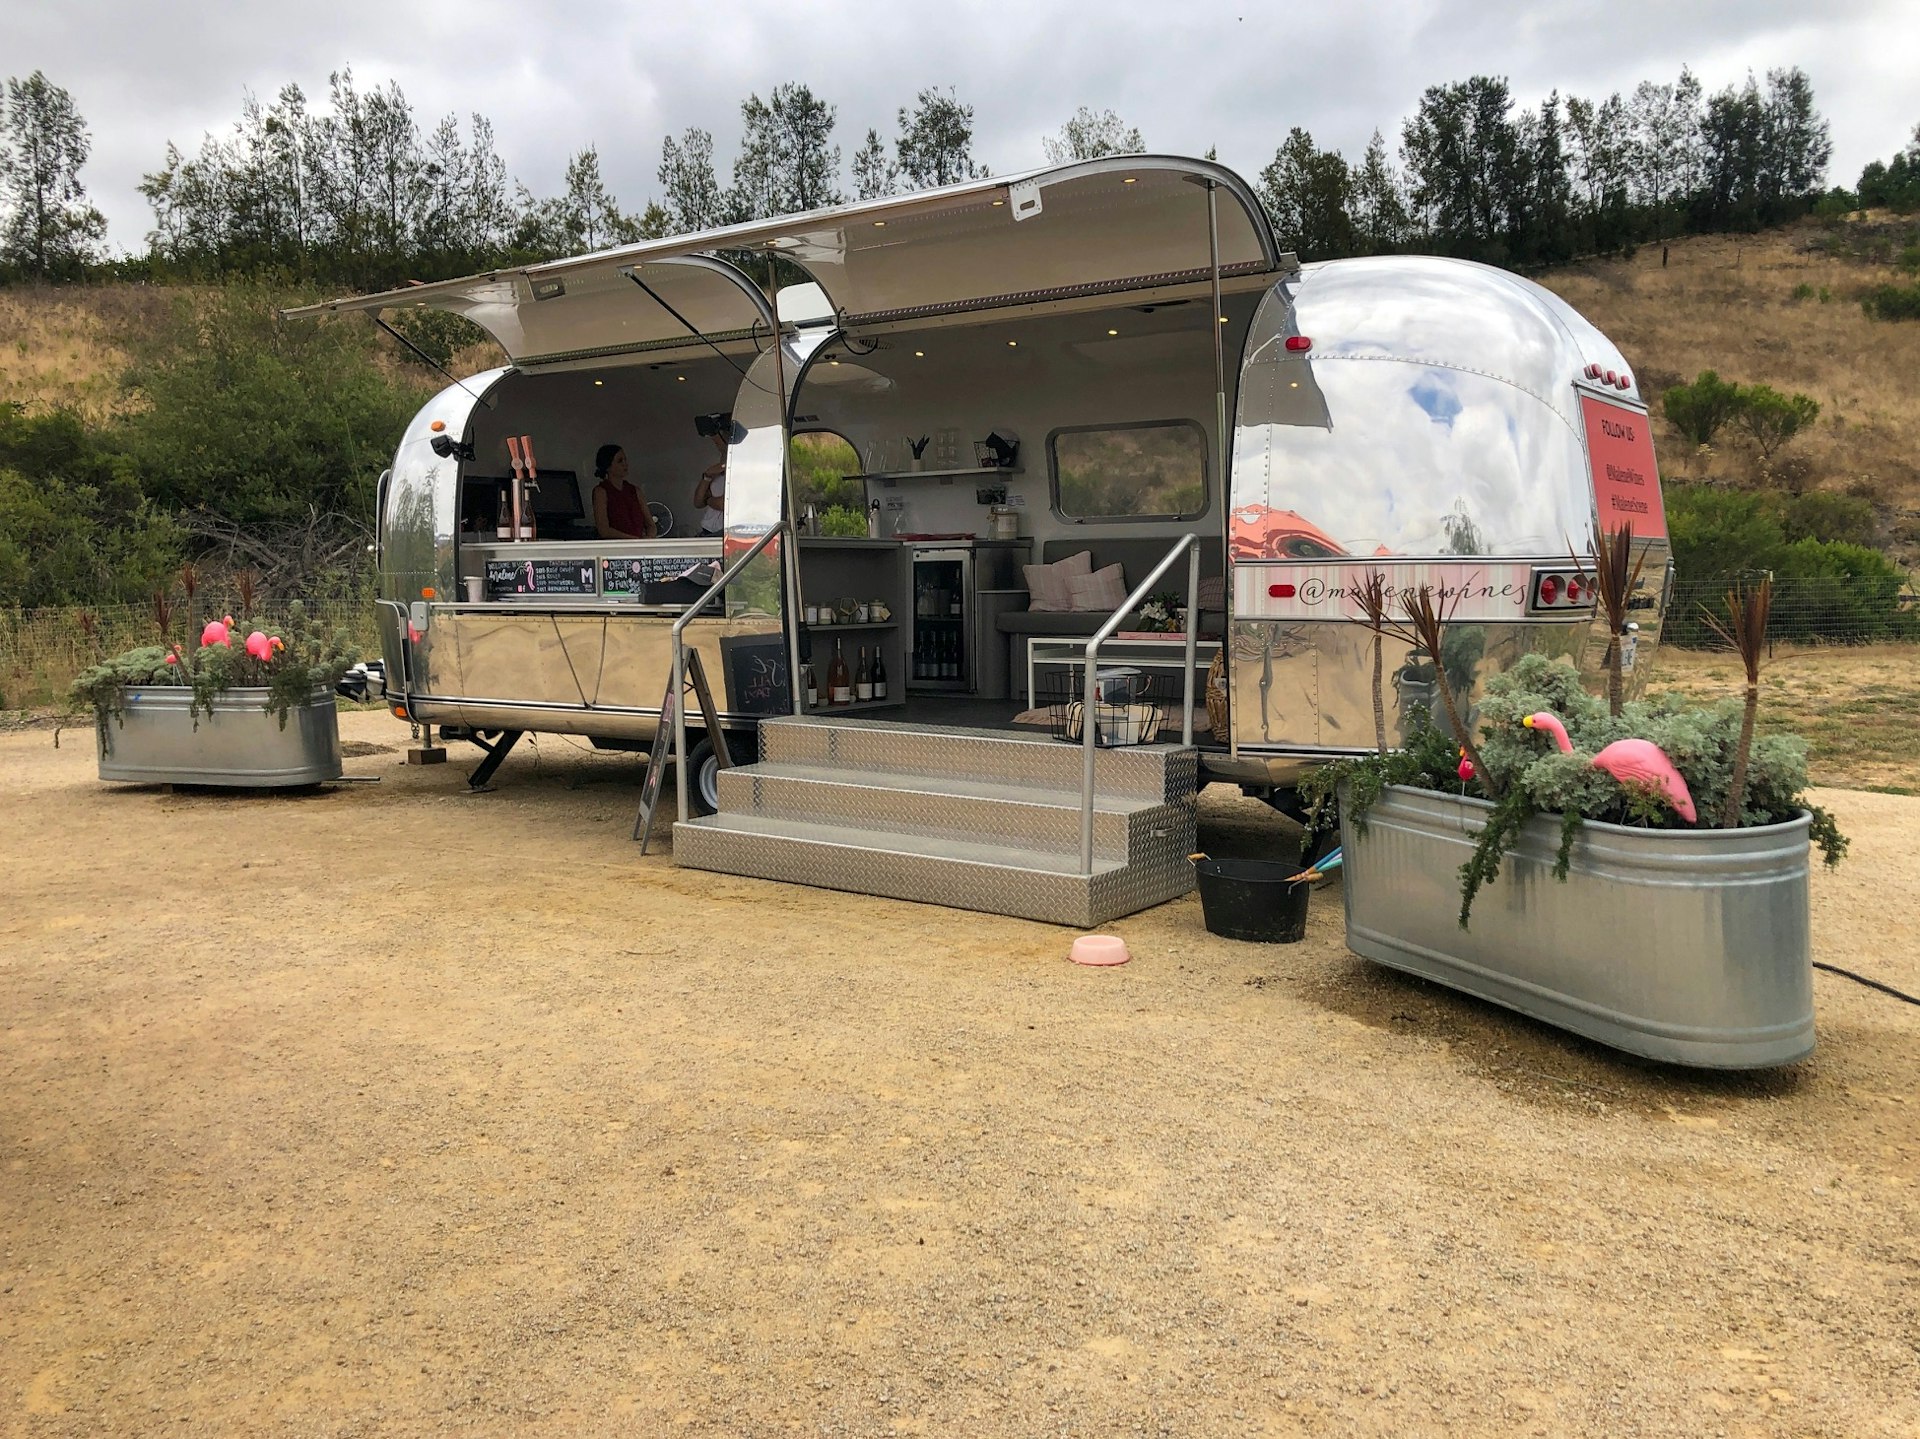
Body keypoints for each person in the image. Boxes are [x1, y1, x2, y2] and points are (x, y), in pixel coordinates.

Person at [592, 444, 656, 540]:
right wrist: (633, 539)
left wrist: (648, 538)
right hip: (616, 549)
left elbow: (651, 525)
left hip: (639, 547)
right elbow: (604, 530)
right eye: (620, 461)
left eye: (625, 460)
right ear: (608, 466)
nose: (625, 464)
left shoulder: (635, 491)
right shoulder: (601, 492)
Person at [693, 431, 727, 536]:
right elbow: (698, 502)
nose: (717, 445)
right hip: (707, 529)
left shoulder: (742, 472)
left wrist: (708, 500)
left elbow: (722, 504)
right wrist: (707, 476)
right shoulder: (716, 471)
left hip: (724, 532)